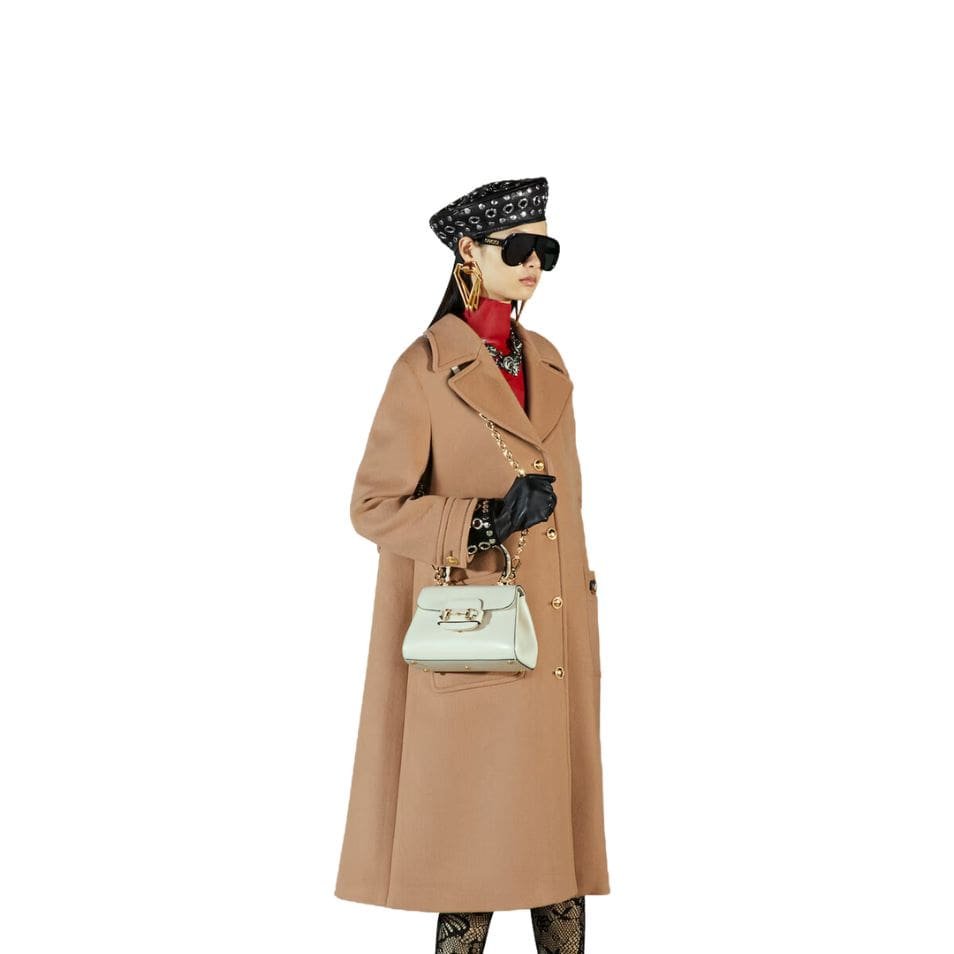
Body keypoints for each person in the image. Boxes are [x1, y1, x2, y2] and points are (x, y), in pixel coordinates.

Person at [334, 178, 608, 954]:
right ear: (467, 251)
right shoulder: (423, 368)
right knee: (472, 861)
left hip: (554, 641)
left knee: (558, 858)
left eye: (545, 249)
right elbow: (373, 507)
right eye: (517, 248)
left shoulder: (547, 361)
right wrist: (482, 519)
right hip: (476, 643)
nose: (533, 265)